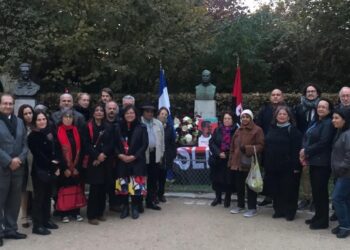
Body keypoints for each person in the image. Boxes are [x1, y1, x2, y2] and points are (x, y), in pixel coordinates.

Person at [300, 98, 335, 230]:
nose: (320, 109)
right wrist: (304, 149)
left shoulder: (328, 123)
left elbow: (324, 142)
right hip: (314, 161)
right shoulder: (317, 122)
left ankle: (323, 220)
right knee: (316, 191)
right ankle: (318, 216)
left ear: (329, 110)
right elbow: (307, 137)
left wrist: (307, 150)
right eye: (319, 107)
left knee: (321, 192)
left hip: (322, 163)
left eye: (324, 107)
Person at [264, 106, 302, 221]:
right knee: (276, 189)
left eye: (284, 114)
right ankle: (278, 210)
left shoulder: (293, 131)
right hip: (273, 165)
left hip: (288, 167)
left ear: (289, 117)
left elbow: (296, 150)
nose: (282, 116)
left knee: (289, 189)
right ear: (275, 116)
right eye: (279, 114)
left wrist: (296, 166)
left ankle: (290, 211)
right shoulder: (271, 129)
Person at [0, 94, 29, 246]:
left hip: (18, 168)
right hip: (1, 168)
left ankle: (11, 229)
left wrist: (19, 159)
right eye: (5, 103)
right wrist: (8, 160)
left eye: (10, 103)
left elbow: (25, 143)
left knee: (14, 201)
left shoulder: (19, 122)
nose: (8, 106)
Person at [28, 110, 60, 235]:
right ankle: (37, 225)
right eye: (39, 120)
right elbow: (39, 155)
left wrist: (57, 162)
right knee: (39, 198)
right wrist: (52, 165)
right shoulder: (33, 136)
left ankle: (46, 220)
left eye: (44, 119)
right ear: (35, 122)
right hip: (39, 170)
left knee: (48, 196)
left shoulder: (50, 132)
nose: (42, 122)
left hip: (51, 169)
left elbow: (56, 148)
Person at [229, 109, 264, 217]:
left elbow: (261, 145)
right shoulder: (238, 130)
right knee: (239, 186)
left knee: (251, 186)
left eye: (247, 117)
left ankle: (252, 208)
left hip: (249, 163)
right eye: (243, 117)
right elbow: (232, 147)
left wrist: (247, 149)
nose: (245, 119)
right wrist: (231, 160)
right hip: (237, 163)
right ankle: (240, 205)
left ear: (251, 118)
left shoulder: (257, 130)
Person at [115, 105, 148, 219]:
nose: (129, 115)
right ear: (124, 115)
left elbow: (144, 145)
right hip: (122, 160)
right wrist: (119, 155)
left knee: (136, 186)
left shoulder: (142, 127)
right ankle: (125, 208)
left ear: (136, 114)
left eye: (132, 113)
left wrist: (134, 156)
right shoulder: (117, 127)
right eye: (127, 113)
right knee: (123, 185)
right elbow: (113, 144)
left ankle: (135, 207)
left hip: (136, 161)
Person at [256, 88, 285, 207]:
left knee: (281, 174)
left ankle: (280, 197)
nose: (276, 97)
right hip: (267, 147)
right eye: (273, 95)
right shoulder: (264, 110)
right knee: (268, 173)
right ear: (270, 97)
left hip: (282, 148)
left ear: (282, 97)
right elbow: (259, 127)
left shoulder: (287, 110)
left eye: (278, 95)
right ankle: (268, 196)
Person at [85, 104, 113, 225]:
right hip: (93, 162)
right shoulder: (88, 126)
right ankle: (91, 215)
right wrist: (96, 156)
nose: (99, 112)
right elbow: (86, 144)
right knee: (95, 189)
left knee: (103, 188)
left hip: (105, 161)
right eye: (97, 110)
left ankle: (100, 213)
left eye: (101, 110)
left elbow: (110, 143)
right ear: (93, 112)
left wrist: (102, 156)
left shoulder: (108, 126)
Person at [294, 83, 321, 210]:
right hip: (302, 145)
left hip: (317, 146)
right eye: (308, 91)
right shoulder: (299, 108)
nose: (310, 93)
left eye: (313, 91)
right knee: (305, 173)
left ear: (317, 93)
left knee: (316, 175)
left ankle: (316, 200)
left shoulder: (322, 107)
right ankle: (306, 198)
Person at [55, 108, 84, 223]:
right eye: (65, 117)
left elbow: (81, 150)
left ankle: (75, 212)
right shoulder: (57, 131)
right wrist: (65, 168)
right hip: (64, 168)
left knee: (76, 189)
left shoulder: (77, 131)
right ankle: (63, 213)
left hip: (76, 166)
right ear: (61, 118)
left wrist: (77, 167)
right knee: (64, 190)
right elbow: (57, 152)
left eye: (70, 117)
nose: (68, 119)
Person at [209, 112, 238, 208]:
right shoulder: (217, 129)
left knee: (228, 180)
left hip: (229, 159)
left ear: (232, 120)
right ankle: (218, 198)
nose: (227, 120)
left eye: (229, 118)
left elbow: (236, 146)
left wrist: (226, 154)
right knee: (217, 179)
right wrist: (218, 153)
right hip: (217, 159)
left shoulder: (236, 131)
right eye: (225, 118)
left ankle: (228, 198)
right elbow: (212, 143)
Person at [141, 103, 165, 210]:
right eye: (147, 111)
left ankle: (150, 201)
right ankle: (138, 203)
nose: (149, 113)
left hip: (155, 154)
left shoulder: (158, 123)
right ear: (143, 112)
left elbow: (162, 141)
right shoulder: (139, 122)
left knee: (153, 180)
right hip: (142, 155)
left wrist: (161, 155)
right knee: (140, 179)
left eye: (151, 112)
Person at [330, 108, 350, 238]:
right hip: (341, 173)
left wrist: (340, 168)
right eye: (333, 118)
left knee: (337, 198)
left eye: (336, 118)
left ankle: (344, 226)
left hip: (346, 174)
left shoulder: (348, 134)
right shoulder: (341, 132)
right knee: (345, 199)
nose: (333, 120)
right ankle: (346, 224)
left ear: (345, 120)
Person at [17, 104, 34, 228]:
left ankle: (35, 213)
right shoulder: (19, 127)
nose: (29, 115)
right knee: (25, 189)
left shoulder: (37, 125)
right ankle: (24, 216)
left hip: (36, 161)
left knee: (35, 188)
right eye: (25, 113)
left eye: (30, 113)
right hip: (24, 161)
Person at [157, 107, 176, 203]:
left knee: (162, 177)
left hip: (166, 156)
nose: (164, 116)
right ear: (158, 115)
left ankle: (161, 194)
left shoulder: (169, 127)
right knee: (154, 177)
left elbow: (173, 142)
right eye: (162, 114)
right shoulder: (154, 125)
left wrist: (172, 155)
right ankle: (153, 195)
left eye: (166, 114)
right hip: (155, 155)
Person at [105, 101, 121, 212]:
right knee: (106, 181)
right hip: (104, 157)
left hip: (118, 157)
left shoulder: (121, 123)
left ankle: (115, 203)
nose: (111, 110)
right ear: (106, 110)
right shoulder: (101, 123)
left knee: (117, 180)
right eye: (109, 108)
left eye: (113, 108)